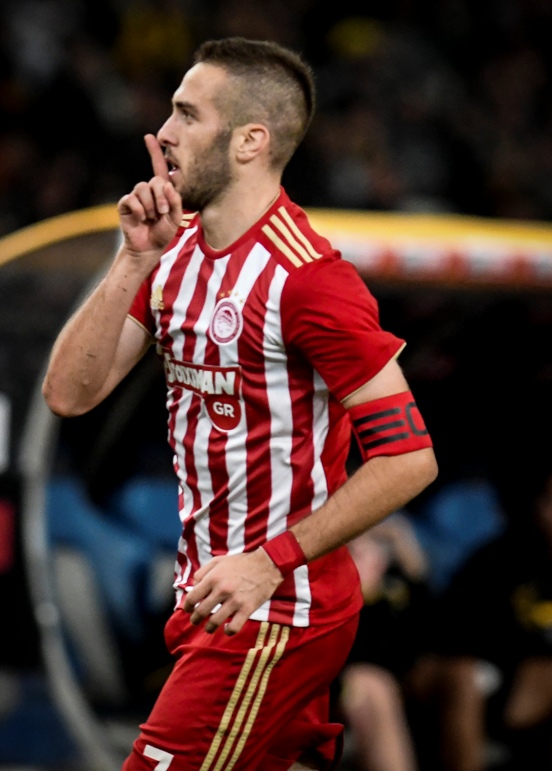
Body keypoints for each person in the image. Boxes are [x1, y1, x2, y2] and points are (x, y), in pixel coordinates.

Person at [41, 36, 438, 771]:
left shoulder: (310, 280)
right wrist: (133, 257)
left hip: (276, 611)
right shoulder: (174, 251)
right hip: (209, 598)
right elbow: (69, 393)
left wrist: (269, 561)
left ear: (251, 141)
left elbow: (410, 458)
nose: (163, 132)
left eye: (187, 114)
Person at [406, 465, 552, 771]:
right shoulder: (499, 559)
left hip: (528, 681)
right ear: (537, 505)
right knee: (466, 676)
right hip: (466, 668)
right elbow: (457, 640)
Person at [337, 512, 432, 771]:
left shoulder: (396, 588)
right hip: (345, 678)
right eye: (357, 549)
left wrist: (405, 547)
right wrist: (358, 591)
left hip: (399, 674)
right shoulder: (337, 589)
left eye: (378, 544)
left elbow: (429, 625)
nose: (372, 553)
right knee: (372, 685)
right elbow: (348, 652)